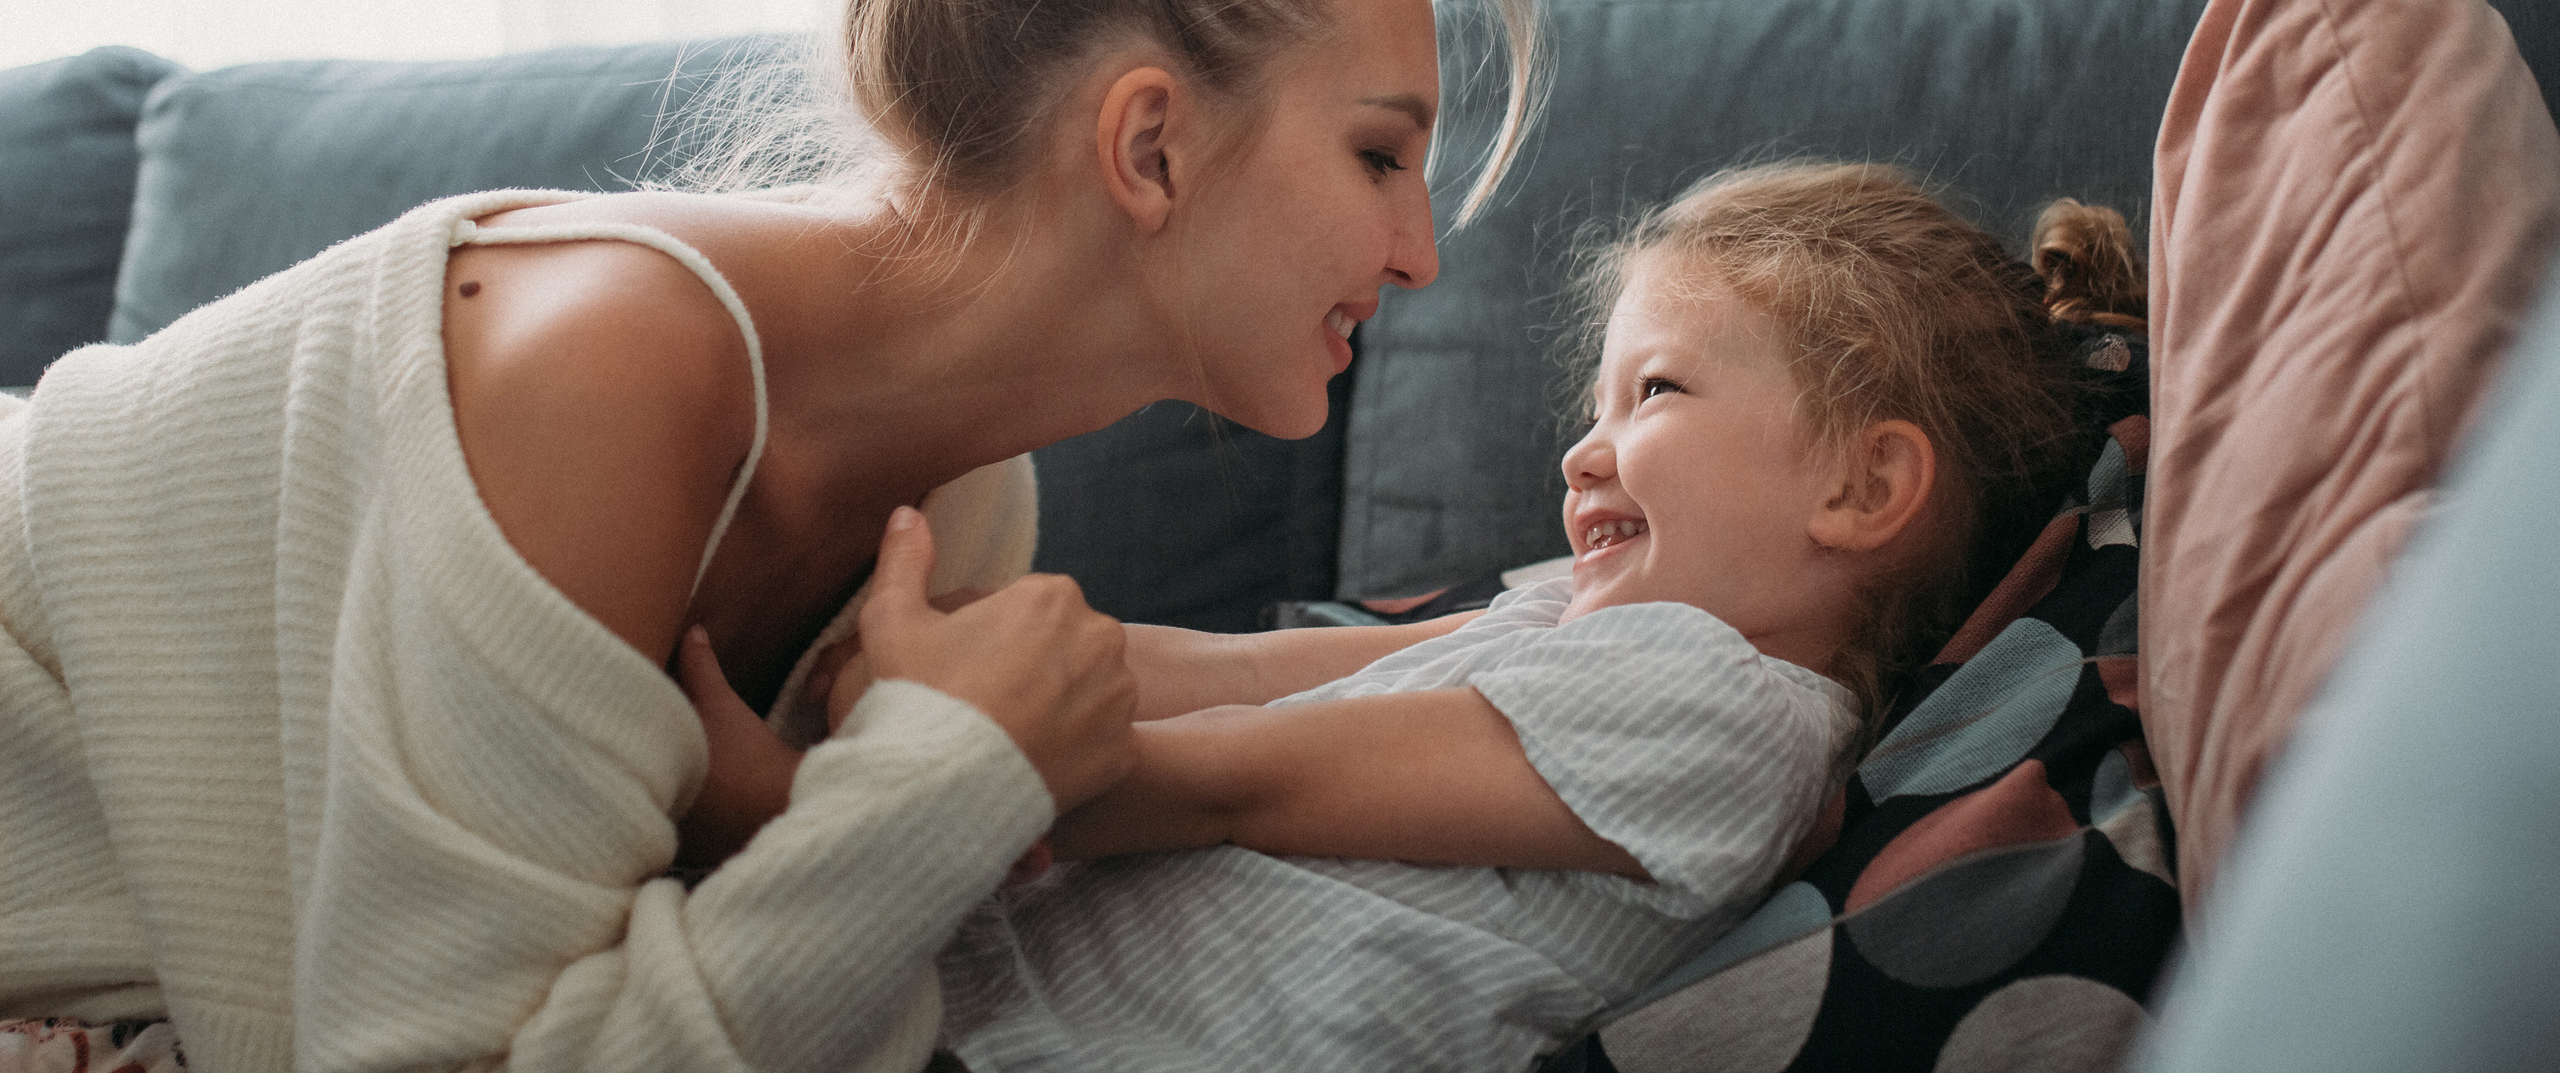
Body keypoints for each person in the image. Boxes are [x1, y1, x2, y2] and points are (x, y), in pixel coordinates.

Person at [0, 0, 1535, 1073]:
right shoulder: (607, 376)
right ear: (1149, 147)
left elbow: (832, 914)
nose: (1418, 257)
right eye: (1378, 155)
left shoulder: (958, 492)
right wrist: (941, 792)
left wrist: (1513, 633)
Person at [684, 162, 2138, 1073]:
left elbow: (1239, 776)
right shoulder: (1581, 622)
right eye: (1597, 401)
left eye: (1655, 392)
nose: (1580, 452)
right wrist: (989, 633)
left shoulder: (1735, 721)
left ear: (1864, 485)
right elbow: (1252, 670)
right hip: (988, 989)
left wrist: (856, 790)